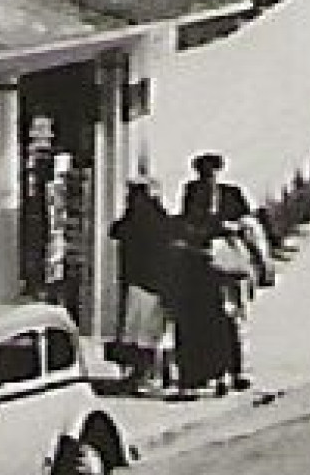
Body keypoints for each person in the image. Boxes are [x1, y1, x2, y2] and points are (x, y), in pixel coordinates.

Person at [177, 154, 253, 395]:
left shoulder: (231, 194)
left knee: (229, 320)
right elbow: (187, 223)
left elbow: (247, 223)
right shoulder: (192, 193)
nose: (208, 177)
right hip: (200, 267)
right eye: (204, 172)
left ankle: (233, 371)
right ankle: (206, 374)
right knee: (203, 323)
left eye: (211, 172)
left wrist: (232, 229)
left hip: (227, 269)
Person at [108, 176, 173, 394]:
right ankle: (154, 375)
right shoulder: (161, 220)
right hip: (154, 284)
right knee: (151, 334)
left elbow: (116, 231)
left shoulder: (137, 221)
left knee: (141, 333)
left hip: (142, 283)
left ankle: (143, 375)